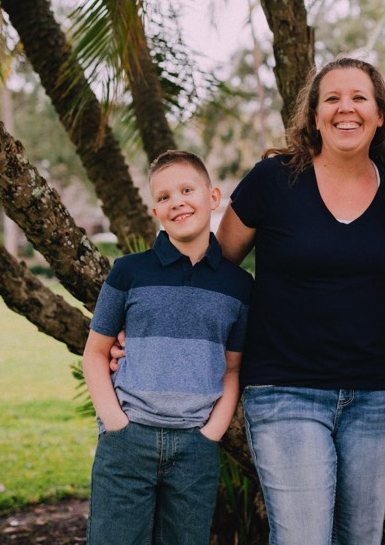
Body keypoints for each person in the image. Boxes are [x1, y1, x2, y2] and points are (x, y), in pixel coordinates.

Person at [214, 58, 385, 545]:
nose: (346, 108)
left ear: (380, 115)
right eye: (333, 98)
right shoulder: (272, 180)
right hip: (285, 390)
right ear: (315, 115)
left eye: (359, 98)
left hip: (378, 396)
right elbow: (217, 269)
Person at [82, 150, 252, 544]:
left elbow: (231, 369)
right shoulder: (128, 272)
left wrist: (211, 433)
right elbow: (95, 352)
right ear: (156, 211)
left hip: (195, 448)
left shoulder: (238, 285)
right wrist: (115, 422)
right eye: (164, 196)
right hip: (128, 441)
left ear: (213, 197)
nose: (177, 202)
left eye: (187, 190)